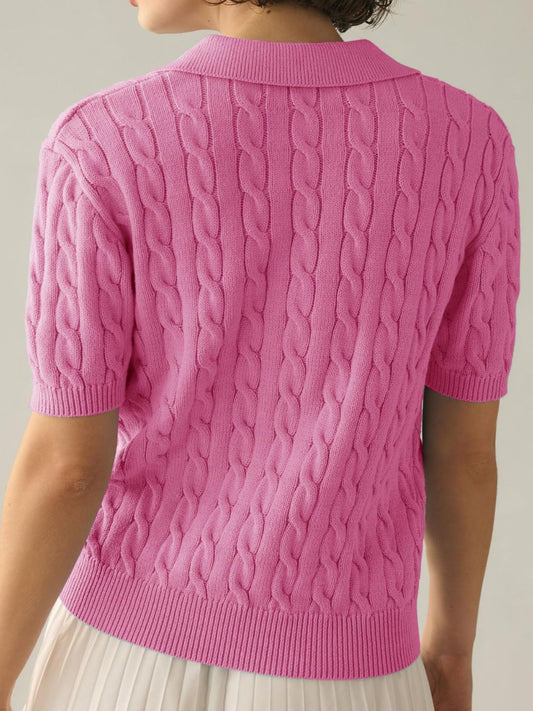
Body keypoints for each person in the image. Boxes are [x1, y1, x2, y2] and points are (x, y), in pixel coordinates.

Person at [0, 1, 520, 710]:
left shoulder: (100, 141)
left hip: (123, 657)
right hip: (357, 671)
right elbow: (464, 454)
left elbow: (67, 467)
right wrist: (451, 658)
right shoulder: (469, 140)